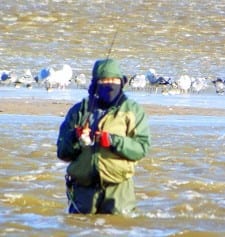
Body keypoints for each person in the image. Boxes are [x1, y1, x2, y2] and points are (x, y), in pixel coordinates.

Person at [57, 58, 151, 214]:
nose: (110, 84)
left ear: (121, 82)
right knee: (78, 228)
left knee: (118, 228)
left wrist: (113, 141)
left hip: (119, 190)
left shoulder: (133, 111)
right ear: (95, 84)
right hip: (82, 190)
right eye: (104, 80)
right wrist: (76, 138)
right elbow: (62, 152)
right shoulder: (79, 111)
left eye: (114, 80)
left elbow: (141, 148)